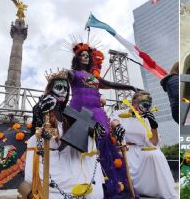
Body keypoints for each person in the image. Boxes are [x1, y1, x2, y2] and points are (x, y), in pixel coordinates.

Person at [68, 42, 140, 198]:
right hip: (80, 112)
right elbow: (60, 79)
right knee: (87, 145)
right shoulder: (72, 73)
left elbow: (110, 84)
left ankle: (113, 184)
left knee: (106, 140)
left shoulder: (94, 77)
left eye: (88, 55)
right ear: (77, 58)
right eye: (82, 55)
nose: (86, 58)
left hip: (97, 112)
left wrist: (130, 87)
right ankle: (88, 183)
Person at [23, 70, 104, 198]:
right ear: (50, 89)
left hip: (65, 159)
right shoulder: (42, 107)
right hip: (46, 160)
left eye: (66, 88)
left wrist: (94, 128)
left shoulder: (68, 112)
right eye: (59, 87)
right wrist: (39, 114)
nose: (64, 91)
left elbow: (85, 122)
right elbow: (35, 132)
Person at [111, 91, 178, 199]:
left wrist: (153, 125)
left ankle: (160, 191)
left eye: (148, 104)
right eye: (143, 104)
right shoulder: (121, 113)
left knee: (156, 154)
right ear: (133, 102)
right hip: (126, 150)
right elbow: (113, 121)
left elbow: (154, 143)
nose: (145, 107)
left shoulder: (147, 118)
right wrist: (117, 126)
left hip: (142, 151)